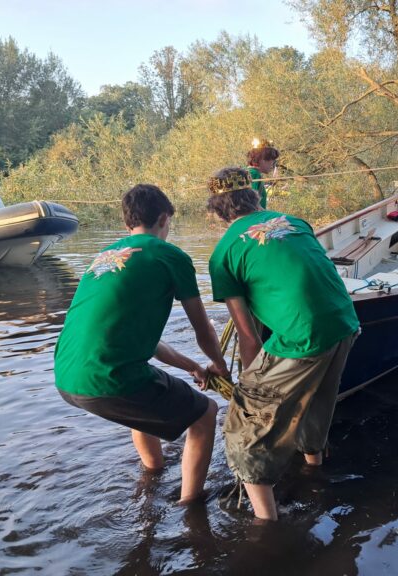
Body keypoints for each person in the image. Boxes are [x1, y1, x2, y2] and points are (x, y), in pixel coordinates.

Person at [54, 184, 230, 503]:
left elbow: (144, 343)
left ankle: (152, 474)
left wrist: (192, 367)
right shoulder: (170, 255)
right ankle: (190, 506)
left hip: (67, 378)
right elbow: (204, 329)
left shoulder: (103, 258)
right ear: (164, 218)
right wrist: (219, 366)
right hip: (107, 379)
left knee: (142, 401)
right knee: (206, 413)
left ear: (127, 225)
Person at [207, 167, 359, 521]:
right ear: (254, 196)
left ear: (216, 210)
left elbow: (248, 335)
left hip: (303, 336)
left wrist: (247, 387)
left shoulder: (223, 254)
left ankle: (266, 523)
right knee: (316, 401)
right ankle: (314, 472)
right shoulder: (294, 221)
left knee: (246, 429)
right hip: (345, 323)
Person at [247, 140, 280, 209]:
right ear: (263, 160)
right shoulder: (253, 174)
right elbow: (253, 204)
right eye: (272, 161)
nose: (272, 165)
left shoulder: (250, 172)